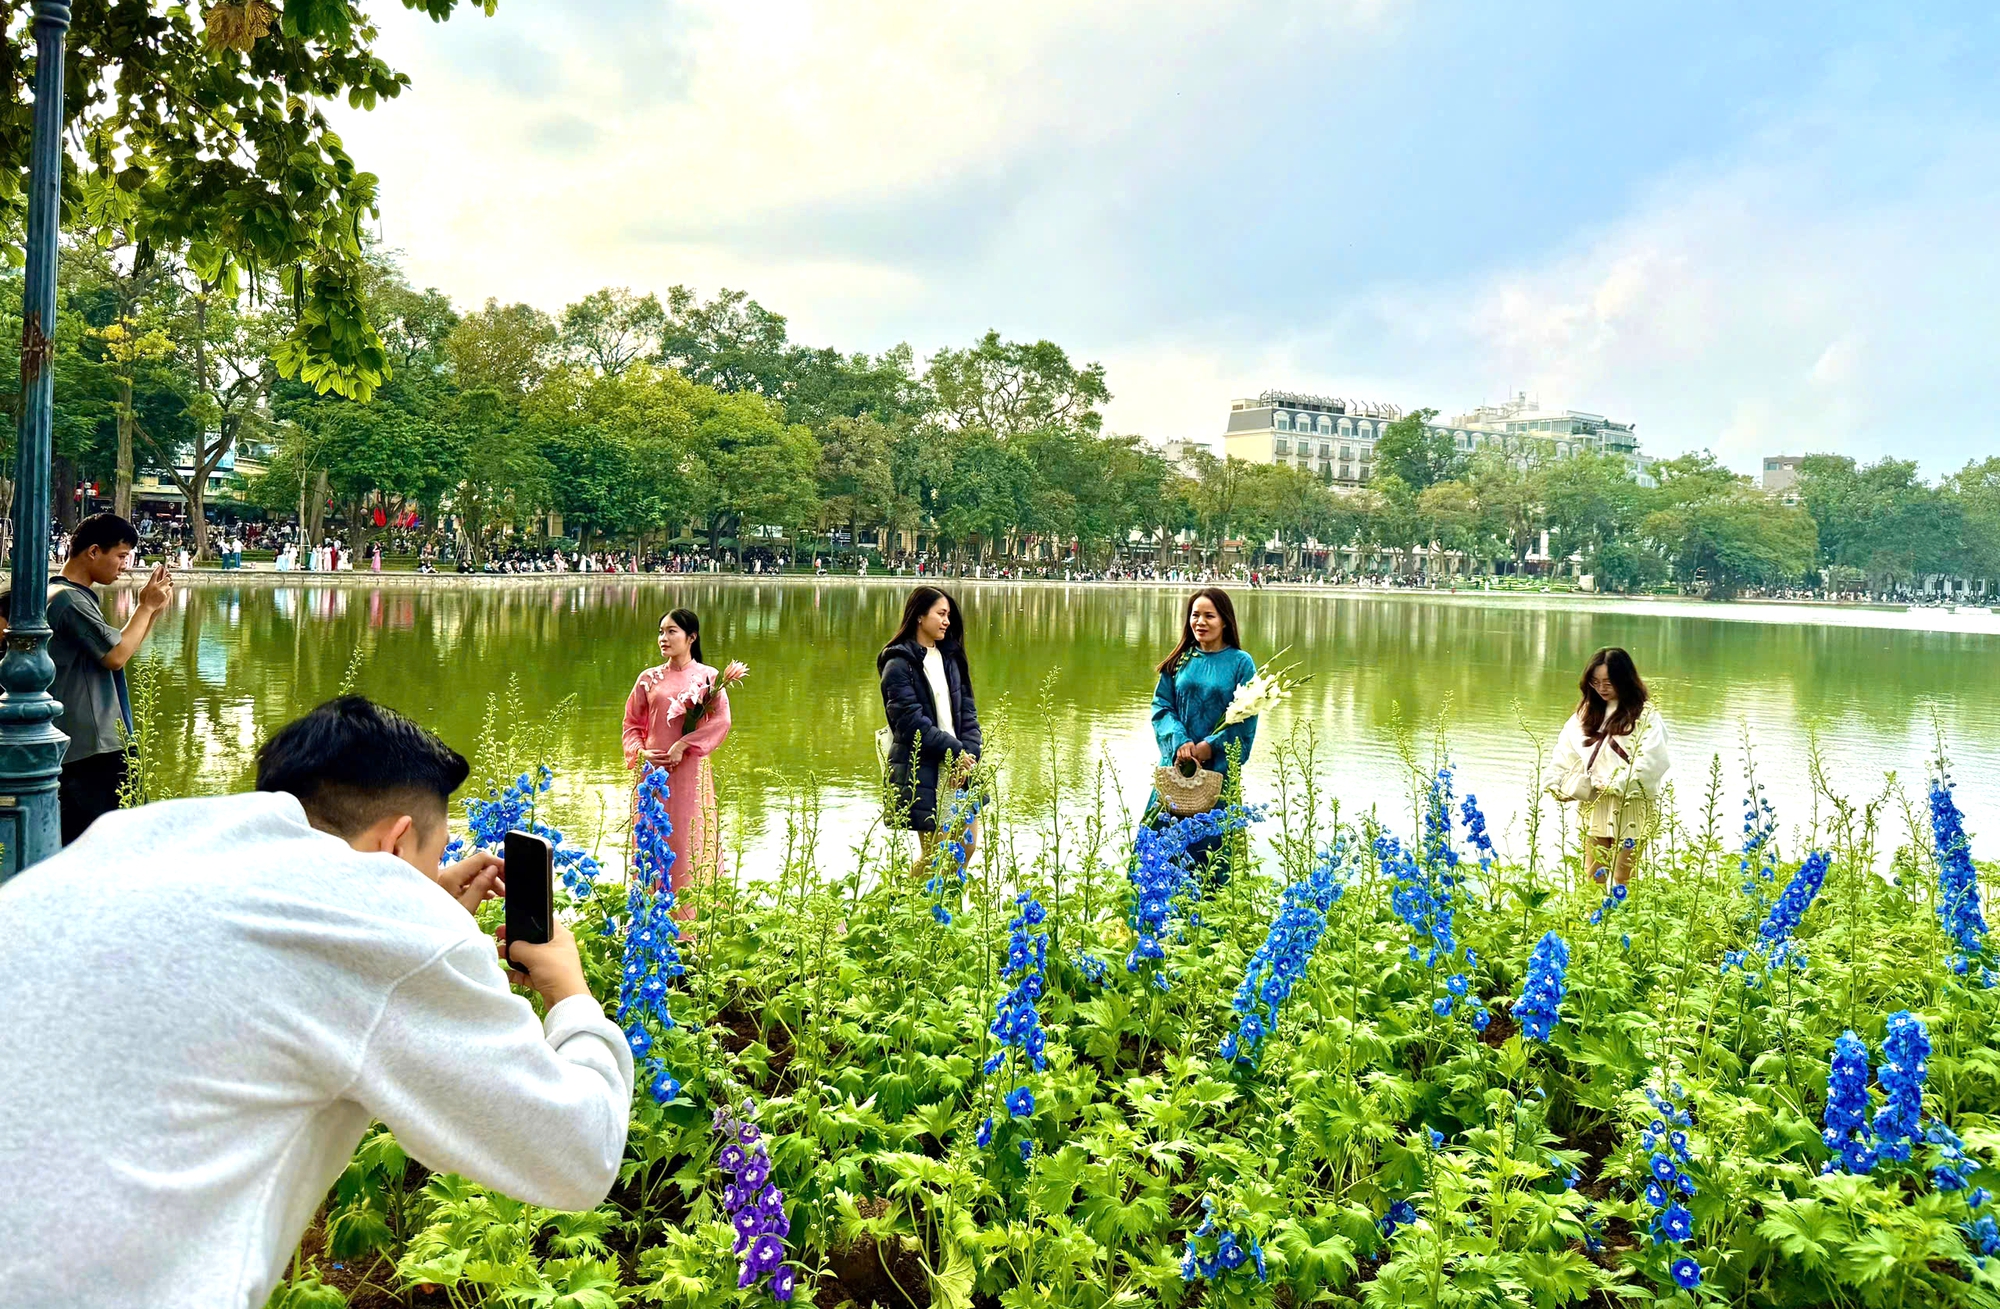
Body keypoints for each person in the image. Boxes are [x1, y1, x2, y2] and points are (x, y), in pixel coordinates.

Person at [0, 696, 631, 1308]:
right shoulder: (377, 915)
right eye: (434, 857)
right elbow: (580, 1154)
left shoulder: (140, 838)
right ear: (396, 842)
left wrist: (424, 902)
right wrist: (568, 992)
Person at [48, 512, 173, 845]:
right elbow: (116, 657)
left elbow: (120, 649)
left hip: (88, 744)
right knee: (115, 844)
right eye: (120, 556)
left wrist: (153, 608)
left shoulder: (68, 595)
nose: (124, 566)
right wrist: (144, 608)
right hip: (94, 749)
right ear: (92, 552)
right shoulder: (68, 599)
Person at [622, 609, 734, 902]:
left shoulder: (709, 678)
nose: (663, 638)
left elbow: (721, 722)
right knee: (650, 839)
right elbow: (632, 725)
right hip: (653, 776)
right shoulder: (648, 679)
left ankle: (691, 919)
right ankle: (647, 914)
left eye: (672, 632)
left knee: (689, 840)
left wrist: (684, 745)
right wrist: (641, 751)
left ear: (691, 637)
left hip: (690, 774)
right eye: (661, 632)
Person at [1149, 587, 1259, 883]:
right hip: (1176, 770)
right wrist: (1180, 741)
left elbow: (1246, 717)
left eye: (1209, 615)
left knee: (1210, 859)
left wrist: (1210, 747)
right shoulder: (1181, 659)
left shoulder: (1241, 663)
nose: (1200, 621)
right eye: (1195, 615)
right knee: (1158, 855)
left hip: (1215, 776)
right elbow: (1161, 705)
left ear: (1225, 621)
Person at [878, 586, 982, 877]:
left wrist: (969, 756)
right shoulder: (898, 664)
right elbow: (910, 724)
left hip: (960, 767)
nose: (947, 621)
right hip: (924, 766)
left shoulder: (951, 658)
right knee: (936, 853)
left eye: (949, 615)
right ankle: (904, 907)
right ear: (920, 616)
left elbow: (969, 715)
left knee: (966, 846)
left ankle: (941, 908)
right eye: (941, 613)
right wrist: (955, 753)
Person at [1548, 646, 1671, 888]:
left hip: (1632, 801)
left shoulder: (1645, 715)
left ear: (1624, 680)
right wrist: (1555, 781)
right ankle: (1592, 923)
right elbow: (1566, 751)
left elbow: (1654, 760)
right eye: (1595, 682)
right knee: (1594, 875)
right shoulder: (1585, 713)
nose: (1602, 688)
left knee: (1625, 876)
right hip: (1595, 800)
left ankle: (1624, 922)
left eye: (1608, 682)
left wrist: (1619, 783)